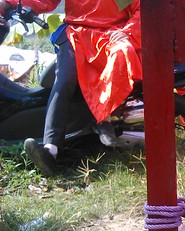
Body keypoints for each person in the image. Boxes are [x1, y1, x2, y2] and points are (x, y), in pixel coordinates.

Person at [0, 0, 142, 176]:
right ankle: (50, 149)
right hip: (76, 35)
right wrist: (8, 3)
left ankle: (106, 119)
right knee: (64, 81)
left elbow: (139, 8)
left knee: (121, 55)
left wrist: (126, 32)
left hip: (110, 35)